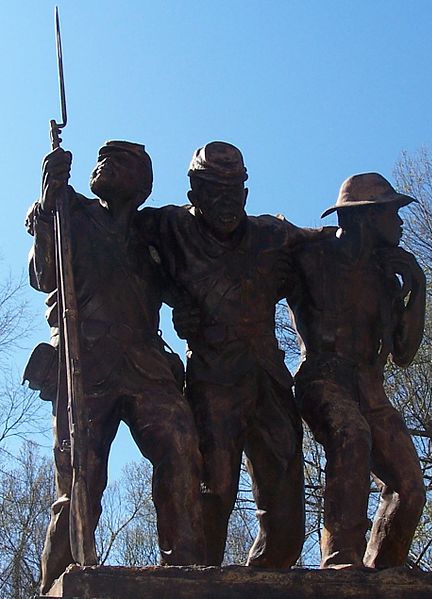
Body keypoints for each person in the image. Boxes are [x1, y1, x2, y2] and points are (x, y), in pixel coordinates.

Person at [24, 141, 205, 595]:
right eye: (102, 158)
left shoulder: (150, 235)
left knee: (181, 444)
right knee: (80, 480)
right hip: (86, 362)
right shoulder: (69, 212)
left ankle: (185, 568)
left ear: (141, 184)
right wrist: (48, 206)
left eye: (119, 161)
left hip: (145, 365)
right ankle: (57, 582)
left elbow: (181, 294)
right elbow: (44, 276)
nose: (104, 164)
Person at [137, 141, 313, 568]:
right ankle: (199, 583)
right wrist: (52, 209)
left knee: (288, 513)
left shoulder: (274, 237)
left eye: (234, 191)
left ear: (247, 194)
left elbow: (331, 249)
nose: (226, 202)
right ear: (193, 193)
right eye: (214, 191)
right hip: (213, 382)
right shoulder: (168, 227)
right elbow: (111, 233)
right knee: (212, 493)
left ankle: (262, 582)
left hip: (269, 381)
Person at [288, 173, 426, 569]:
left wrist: (417, 287)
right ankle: (340, 559)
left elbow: (403, 353)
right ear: (366, 217)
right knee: (351, 436)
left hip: (370, 386)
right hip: (322, 378)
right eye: (391, 213)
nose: (400, 223)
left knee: (410, 486)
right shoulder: (311, 254)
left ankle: (383, 571)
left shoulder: (387, 274)